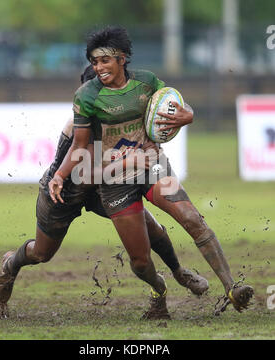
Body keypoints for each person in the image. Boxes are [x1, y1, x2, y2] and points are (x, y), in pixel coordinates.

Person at [49, 26, 254, 319]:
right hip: (114, 182)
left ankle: (232, 288)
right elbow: (79, 146)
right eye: (94, 62)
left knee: (191, 218)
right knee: (141, 262)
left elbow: (175, 105)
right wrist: (59, 174)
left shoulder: (146, 82)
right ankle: (159, 294)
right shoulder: (86, 95)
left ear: (121, 58)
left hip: (152, 166)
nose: (98, 67)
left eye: (104, 61)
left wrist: (189, 115)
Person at [0, 65, 208, 319]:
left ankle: (177, 271)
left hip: (101, 190)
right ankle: (12, 262)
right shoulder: (77, 127)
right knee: (42, 253)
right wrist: (131, 161)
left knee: (150, 228)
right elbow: (86, 173)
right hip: (65, 194)